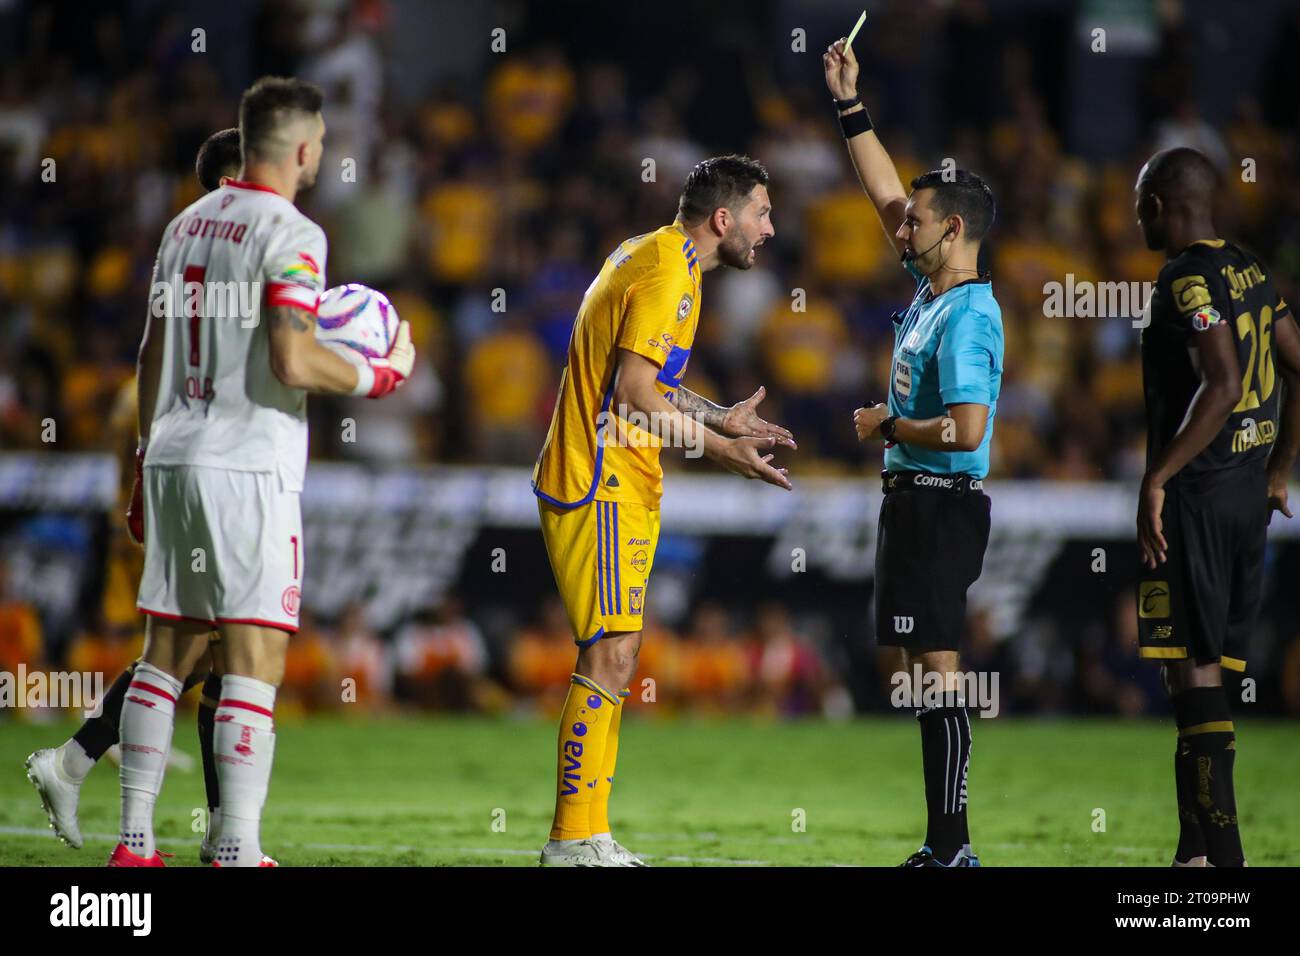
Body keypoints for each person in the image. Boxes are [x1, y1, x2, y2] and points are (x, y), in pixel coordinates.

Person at [108, 76, 413, 867]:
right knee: (253, 655)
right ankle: (236, 846)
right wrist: (381, 376)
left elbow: (149, 355)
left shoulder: (183, 225)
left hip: (173, 450)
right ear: (304, 147)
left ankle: (134, 842)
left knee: (166, 650)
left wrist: (143, 458)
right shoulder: (294, 233)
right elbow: (293, 355)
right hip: (246, 462)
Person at [531, 154, 795, 865]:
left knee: (617, 653)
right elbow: (632, 397)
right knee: (611, 653)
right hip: (601, 475)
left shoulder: (655, 255)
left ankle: (588, 834)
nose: (769, 229)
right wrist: (719, 450)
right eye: (762, 213)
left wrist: (720, 417)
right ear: (723, 218)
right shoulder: (669, 272)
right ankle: (571, 840)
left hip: (619, 473)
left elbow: (657, 386)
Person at [25, 127, 243, 862]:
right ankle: (116, 794)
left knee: (209, 653)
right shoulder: (231, 251)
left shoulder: (181, 246)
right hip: (208, 466)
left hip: (185, 462)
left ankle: (96, 774)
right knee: (207, 650)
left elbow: (155, 353)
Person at [824, 36, 1003, 867]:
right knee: (914, 674)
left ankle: (951, 847)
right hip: (912, 499)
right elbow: (887, 189)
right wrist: (850, 106)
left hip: (939, 496)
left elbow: (967, 432)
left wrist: (889, 428)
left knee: (935, 671)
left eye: (918, 221)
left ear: (953, 229)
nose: (903, 224)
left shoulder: (967, 315)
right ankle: (943, 843)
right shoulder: (932, 292)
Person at [1133, 145, 1300, 867]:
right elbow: (1297, 361)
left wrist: (1158, 479)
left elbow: (1223, 384)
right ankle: (1193, 860)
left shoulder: (1187, 281)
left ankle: (1226, 876)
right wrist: (1281, 464)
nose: (1136, 215)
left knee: (1194, 681)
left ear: (1163, 207)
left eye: (1142, 203)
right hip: (1247, 498)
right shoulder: (1252, 269)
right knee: (1202, 679)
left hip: (1199, 496)